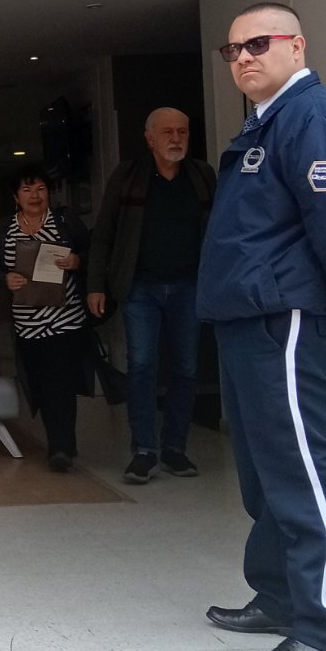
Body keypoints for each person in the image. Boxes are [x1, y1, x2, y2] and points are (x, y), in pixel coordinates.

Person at [198, 2, 326, 651]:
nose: (243, 58)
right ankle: (280, 596)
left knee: (303, 470)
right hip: (247, 318)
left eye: (257, 43)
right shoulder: (269, 120)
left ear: (297, 46)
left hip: (283, 321)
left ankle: (324, 631)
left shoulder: (314, 119)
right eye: (232, 50)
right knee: (264, 471)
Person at [87, 109, 216, 484]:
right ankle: (144, 451)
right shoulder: (128, 176)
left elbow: (221, 230)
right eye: (168, 132)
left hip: (190, 285)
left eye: (182, 131)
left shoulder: (202, 176)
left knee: (186, 368)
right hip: (139, 287)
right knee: (142, 366)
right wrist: (96, 284)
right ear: (149, 138)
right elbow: (104, 233)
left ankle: (174, 448)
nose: (176, 138)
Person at [0, 165, 90, 472]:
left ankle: (61, 447)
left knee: (61, 382)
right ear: (16, 197)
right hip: (27, 322)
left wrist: (77, 260)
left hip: (65, 318)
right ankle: (61, 441)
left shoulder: (64, 222)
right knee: (42, 385)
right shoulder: (5, 228)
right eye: (27, 190)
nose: (35, 195)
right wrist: (6, 279)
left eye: (41, 189)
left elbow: (93, 254)